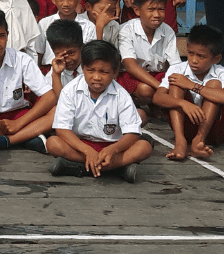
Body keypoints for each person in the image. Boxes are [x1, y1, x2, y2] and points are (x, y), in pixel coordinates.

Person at [46, 40, 152, 182]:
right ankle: (116, 168)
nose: (96, 77)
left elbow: (132, 134)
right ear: (83, 68)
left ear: (115, 73)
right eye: (91, 70)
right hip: (80, 146)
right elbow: (62, 130)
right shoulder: (69, 91)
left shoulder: (122, 95)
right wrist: (87, 151)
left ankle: (82, 168)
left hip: (112, 146)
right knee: (53, 143)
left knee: (144, 147)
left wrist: (112, 150)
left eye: (104, 72)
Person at [0, 8, 55, 151]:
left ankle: (9, 141)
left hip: (19, 115)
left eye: (2, 36)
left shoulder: (21, 58)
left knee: (55, 112)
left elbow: (49, 97)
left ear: (7, 34)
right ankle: (27, 138)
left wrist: (18, 123)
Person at [157, 24, 224, 161]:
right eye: (190, 53)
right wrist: (182, 103)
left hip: (215, 130)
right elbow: (157, 97)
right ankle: (180, 142)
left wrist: (191, 85)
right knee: (176, 83)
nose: (194, 60)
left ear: (216, 59)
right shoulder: (178, 69)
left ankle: (198, 141)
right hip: (185, 128)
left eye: (201, 56)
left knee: (214, 84)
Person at [117, 0, 180, 122]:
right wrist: (161, 87)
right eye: (151, 9)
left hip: (156, 74)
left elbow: (176, 65)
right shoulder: (126, 30)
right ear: (137, 10)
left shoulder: (167, 31)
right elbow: (130, 66)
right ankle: (145, 102)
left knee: (176, 84)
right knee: (146, 90)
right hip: (132, 76)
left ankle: (158, 103)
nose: (157, 15)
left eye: (161, 9)